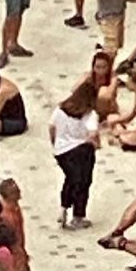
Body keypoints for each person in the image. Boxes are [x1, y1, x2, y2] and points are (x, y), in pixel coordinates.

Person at [50, 81, 100, 231]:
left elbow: (52, 127)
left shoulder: (60, 109)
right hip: (80, 152)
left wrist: (55, 144)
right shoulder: (90, 114)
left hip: (61, 151)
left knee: (70, 179)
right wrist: (96, 144)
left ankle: (64, 207)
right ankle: (78, 216)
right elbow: (92, 134)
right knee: (83, 183)